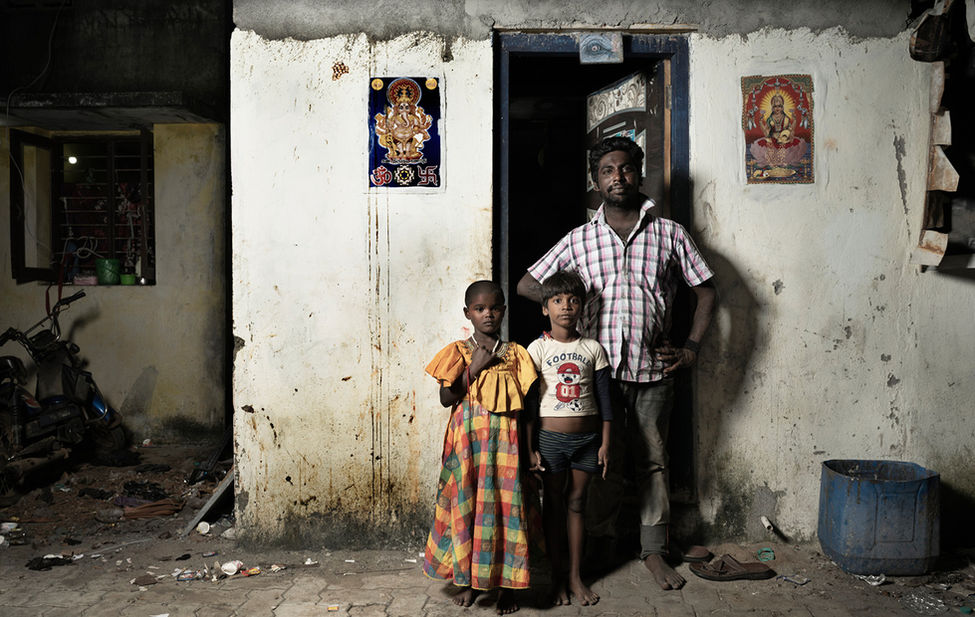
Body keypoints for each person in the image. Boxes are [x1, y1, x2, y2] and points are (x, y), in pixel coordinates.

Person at [516, 136, 716, 591]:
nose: (617, 177)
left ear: (638, 174)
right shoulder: (580, 240)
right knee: (600, 463)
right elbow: (530, 285)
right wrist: (571, 325)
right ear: (596, 181)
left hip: (653, 371)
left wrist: (690, 348)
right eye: (607, 170)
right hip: (593, 376)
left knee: (653, 461)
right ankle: (602, 544)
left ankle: (653, 551)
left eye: (625, 169)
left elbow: (705, 290)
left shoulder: (669, 233)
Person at [422, 280, 539, 614]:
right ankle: (470, 581)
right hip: (468, 447)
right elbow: (447, 398)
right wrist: (474, 367)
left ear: (503, 310)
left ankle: (507, 587)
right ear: (468, 313)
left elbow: (528, 408)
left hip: (506, 446)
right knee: (468, 507)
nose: (488, 314)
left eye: (495, 308)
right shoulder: (458, 352)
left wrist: (530, 450)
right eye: (480, 309)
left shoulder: (515, 353)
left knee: (505, 509)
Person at [525, 270, 613, 606]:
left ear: (583, 306)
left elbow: (606, 401)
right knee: (554, 506)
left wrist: (606, 442)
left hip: (588, 441)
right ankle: (556, 577)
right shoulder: (537, 349)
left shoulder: (592, 348)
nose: (566, 306)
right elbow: (531, 403)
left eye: (573, 300)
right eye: (558, 300)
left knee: (578, 504)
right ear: (545, 308)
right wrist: (531, 447)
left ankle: (576, 577)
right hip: (550, 442)